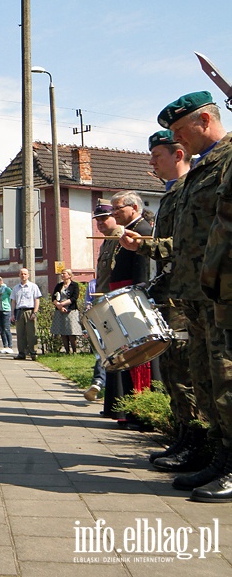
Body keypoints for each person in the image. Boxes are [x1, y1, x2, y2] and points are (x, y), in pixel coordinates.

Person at [159, 91, 232, 501]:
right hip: (196, 296)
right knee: (207, 383)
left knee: (227, 380)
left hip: (223, 294)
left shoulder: (228, 160)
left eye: (181, 131)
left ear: (205, 120)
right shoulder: (201, 171)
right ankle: (220, 458)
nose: (178, 143)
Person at [119, 130, 199, 469]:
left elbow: (183, 245)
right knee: (172, 371)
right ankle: (184, 437)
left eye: (157, 157)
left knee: (186, 373)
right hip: (171, 293)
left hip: (187, 297)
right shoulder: (171, 194)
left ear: (178, 154)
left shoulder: (189, 190)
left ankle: (197, 443)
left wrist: (144, 246)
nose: (151, 163)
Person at [102, 191, 152, 426]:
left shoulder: (142, 231)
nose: (113, 213)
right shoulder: (129, 230)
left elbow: (142, 272)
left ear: (133, 207)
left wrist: (136, 298)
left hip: (132, 300)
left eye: (117, 209)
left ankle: (140, 412)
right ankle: (128, 411)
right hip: (121, 297)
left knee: (138, 358)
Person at [83, 200, 121, 401]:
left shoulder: (120, 238)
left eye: (104, 218)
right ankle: (100, 383)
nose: (100, 223)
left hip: (115, 302)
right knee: (103, 346)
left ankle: (99, 382)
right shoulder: (106, 240)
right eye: (97, 220)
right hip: (103, 302)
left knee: (108, 347)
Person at [10, 267, 42, 361]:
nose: (23, 275)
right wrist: (12, 314)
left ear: (28, 275)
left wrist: (35, 312)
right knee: (20, 334)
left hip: (30, 311)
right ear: (19, 275)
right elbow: (13, 301)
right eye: (21, 274)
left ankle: (33, 353)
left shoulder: (33, 286)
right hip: (19, 311)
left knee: (31, 333)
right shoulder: (16, 288)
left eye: (25, 274)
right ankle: (21, 353)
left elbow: (37, 300)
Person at [50, 269, 82, 354]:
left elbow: (74, 298)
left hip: (71, 310)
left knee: (71, 331)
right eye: (62, 274)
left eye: (64, 274)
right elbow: (53, 298)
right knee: (63, 331)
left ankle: (74, 351)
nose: (62, 275)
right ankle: (67, 351)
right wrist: (59, 306)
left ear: (69, 275)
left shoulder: (74, 285)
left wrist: (63, 304)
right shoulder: (59, 285)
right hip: (60, 310)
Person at [0, 276, 13, 354]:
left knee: (6, 328)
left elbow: (13, 295)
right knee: (1, 330)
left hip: (5, 310)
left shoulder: (6, 289)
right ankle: (5, 346)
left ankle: (10, 346)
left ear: (1, 281)